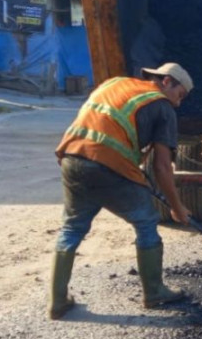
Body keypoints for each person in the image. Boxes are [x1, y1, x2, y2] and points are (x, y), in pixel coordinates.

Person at [48, 63, 193, 320]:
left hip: (72, 157)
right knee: (147, 221)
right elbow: (162, 166)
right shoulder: (162, 106)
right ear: (168, 82)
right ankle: (155, 292)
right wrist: (176, 206)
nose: (179, 104)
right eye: (180, 95)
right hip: (107, 164)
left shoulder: (115, 83)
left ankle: (58, 301)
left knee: (72, 228)